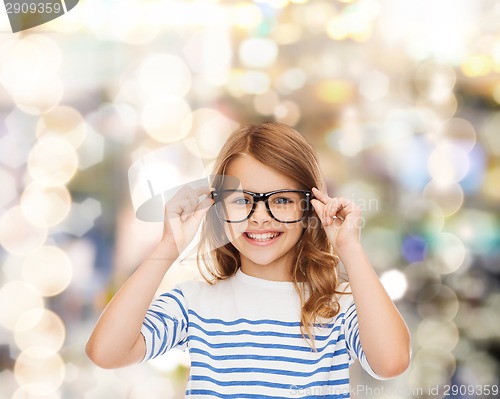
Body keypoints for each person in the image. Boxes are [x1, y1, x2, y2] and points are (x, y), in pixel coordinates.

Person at [86, 122, 411, 398]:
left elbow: (391, 361)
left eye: (281, 199)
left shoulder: (337, 307)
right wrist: (168, 247)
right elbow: (106, 352)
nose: (260, 218)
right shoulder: (194, 303)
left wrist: (349, 248)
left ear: (310, 206)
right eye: (243, 200)